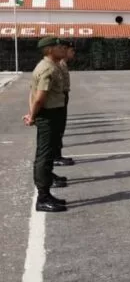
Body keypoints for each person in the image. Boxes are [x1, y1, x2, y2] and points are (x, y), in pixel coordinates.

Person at [23, 37, 69, 212]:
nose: (62, 49)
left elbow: (34, 94)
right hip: (48, 116)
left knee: (47, 154)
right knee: (44, 156)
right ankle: (43, 198)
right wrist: (32, 115)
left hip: (52, 114)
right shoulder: (47, 68)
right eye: (58, 47)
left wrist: (32, 114)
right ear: (50, 50)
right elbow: (39, 97)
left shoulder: (50, 65)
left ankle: (46, 193)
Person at [54, 41, 76, 167]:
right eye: (71, 50)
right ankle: (55, 157)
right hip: (59, 97)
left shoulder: (63, 64)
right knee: (57, 128)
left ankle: (58, 155)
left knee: (60, 128)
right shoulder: (59, 64)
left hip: (63, 96)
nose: (73, 53)